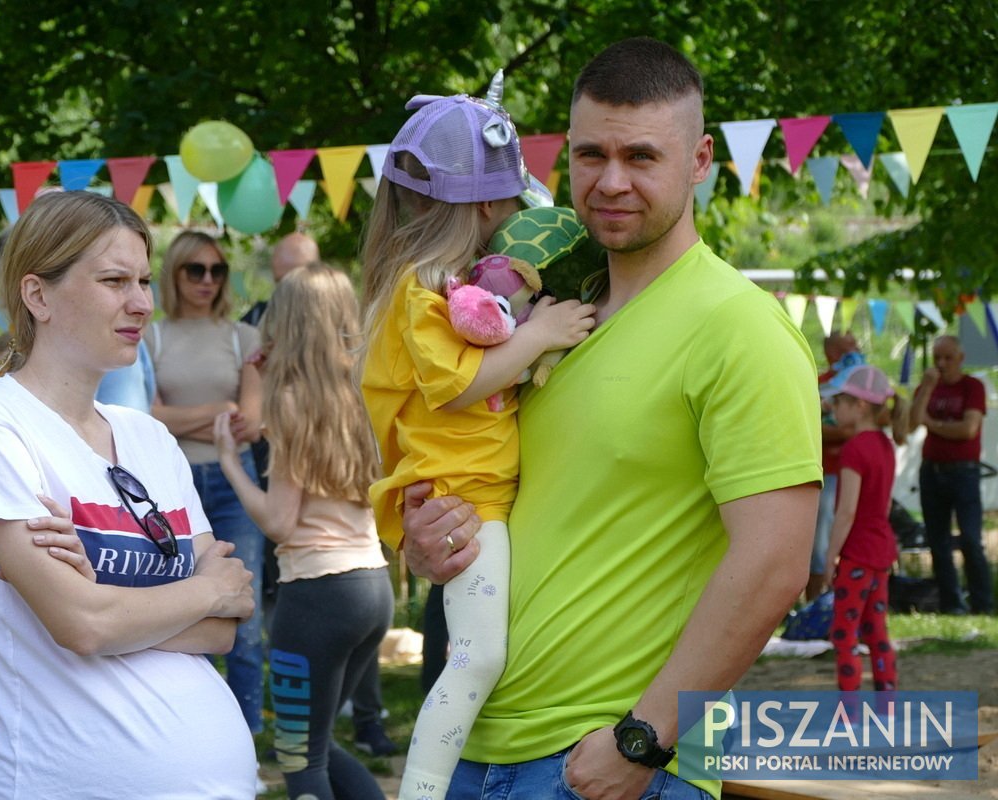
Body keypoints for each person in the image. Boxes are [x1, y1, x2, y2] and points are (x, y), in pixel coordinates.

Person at [399, 38, 821, 800]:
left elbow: (774, 563)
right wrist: (431, 538)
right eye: (591, 155)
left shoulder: (739, 326)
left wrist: (642, 741)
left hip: (607, 764)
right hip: (480, 745)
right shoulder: (545, 319)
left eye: (642, 157)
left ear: (699, 162)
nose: (611, 181)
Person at [0, 191, 257, 798]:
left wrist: (110, 601)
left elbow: (223, 625)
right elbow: (82, 625)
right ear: (38, 296)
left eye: (142, 280)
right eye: (114, 280)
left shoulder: (149, 436)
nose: (141, 303)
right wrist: (189, 593)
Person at [359, 74, 594, 800]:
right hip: (465, 503)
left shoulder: (458, 288)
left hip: (485, 497)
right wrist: (543, 335)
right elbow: (457, 384)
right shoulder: (417, 291)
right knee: (478, 656)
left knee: (485, 652)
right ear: (488, 205)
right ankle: (423, 790)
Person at [214, 263, 392, 800]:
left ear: (285, 324)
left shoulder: (291, 403)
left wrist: (230, 462)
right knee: (318, 746)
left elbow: (279, 522)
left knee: (299, 758)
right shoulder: (365, 390)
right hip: (371, 587)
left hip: (315, 594)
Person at [146, 230, 268, 734]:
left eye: (217, 270)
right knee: (182, 603)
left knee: (243, 607)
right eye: (195, 269)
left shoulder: (244, 337)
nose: (207, 280)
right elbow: (144, 418)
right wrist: (219, 410)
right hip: (171, 483)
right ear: (174, 273)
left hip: (235, 479)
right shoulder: (150, 336)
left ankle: (247, 728)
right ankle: (196, 725)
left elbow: (252, 423)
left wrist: (180, 418)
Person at [821, 364, 906, 691]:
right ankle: (886, 708)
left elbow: (846, 511)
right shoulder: (885, 445)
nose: (833, 409)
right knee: (877, 633)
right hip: (880, 551)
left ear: (859, 406)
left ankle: (850, 716)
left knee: (844, 635)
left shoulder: (854, 449)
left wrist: (830, 557)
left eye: (839, 402)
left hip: (856, 554)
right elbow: (883, 505)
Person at [911, 335, 994, 615]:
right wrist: (927, 389)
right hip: (931, 470)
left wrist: (932, 424)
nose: (941, 364)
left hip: (963, 471)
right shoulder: (927, 387)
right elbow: (911, 423)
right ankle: (951, 604)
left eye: (947, 358)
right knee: (938, 541)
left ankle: (982, 605)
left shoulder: (973, 387)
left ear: (960, 358)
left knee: (971, 538)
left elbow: (968, 429)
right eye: (937, 358)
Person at [809, 331, 862, 602]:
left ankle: (850, 593)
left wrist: (839, 431)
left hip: (854, 471)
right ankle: (816, 598)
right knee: (821, 535)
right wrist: (841, 432)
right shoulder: (817, 384)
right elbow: (809, 428)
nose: (857, 350)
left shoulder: (863, 382)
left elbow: (857, 428)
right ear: (832, 353)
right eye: (850, 347)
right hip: (826, 471)